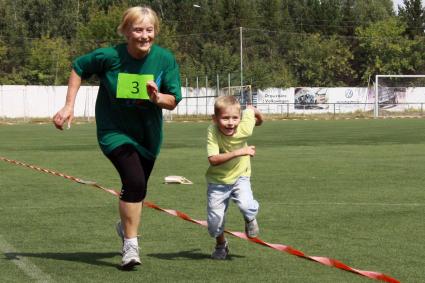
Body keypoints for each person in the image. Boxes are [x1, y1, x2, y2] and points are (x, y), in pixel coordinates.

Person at [52, 6, 182, 270]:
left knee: (138, 189)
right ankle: (131, 246)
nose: (145, 36)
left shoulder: (164, 59)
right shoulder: (109, 56)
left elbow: (173, 100)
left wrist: (157, 98)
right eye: (138, 30)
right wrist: (68, 106)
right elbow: (79, 67)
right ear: (125, 31)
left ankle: (124, 227)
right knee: (133, 182)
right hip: (114, 132)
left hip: (148, 136)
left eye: (149, 30)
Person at [205, 95, 263, 260]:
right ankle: (221, 244)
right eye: (225, 118)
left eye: (235, 118)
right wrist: (241, 151)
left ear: (240, 118)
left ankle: (250, 218)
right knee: (214, 223)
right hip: (218, 181)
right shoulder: (212, 131)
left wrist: (257, 115)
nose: (230, 122)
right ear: (215, 119)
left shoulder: (245, 127)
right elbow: (213, 159)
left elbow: (253, 113)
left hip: (240, 176)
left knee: (247, 205)